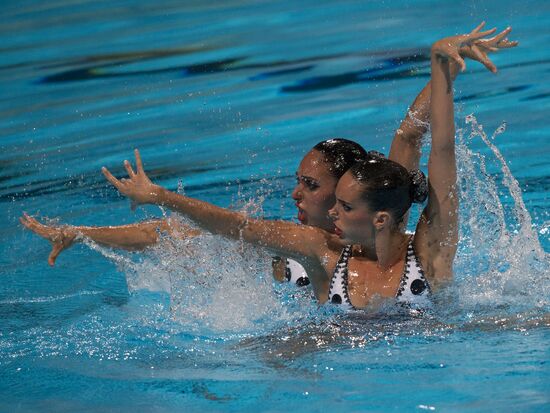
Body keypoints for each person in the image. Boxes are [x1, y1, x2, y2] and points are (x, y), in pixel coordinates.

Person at [21, 24, 516, 293]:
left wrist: (443, 69)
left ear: (362, 200)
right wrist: (85, 231)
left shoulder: (417, 238)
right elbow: (202, 231)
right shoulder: (308, 248)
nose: (296, 195)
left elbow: (418, 139)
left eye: (315, 187)